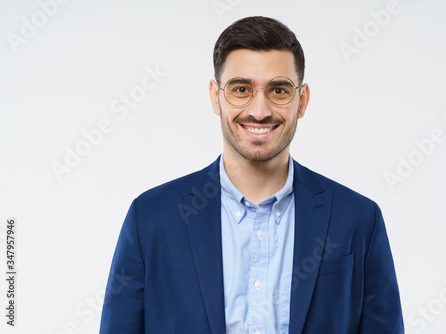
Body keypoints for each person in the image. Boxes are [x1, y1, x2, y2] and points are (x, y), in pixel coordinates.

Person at [99, 16, 404, 334]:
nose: (260, 110)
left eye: (279, 90)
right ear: (215, 97)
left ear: (302, 100)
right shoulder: (151, 218)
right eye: (241, 89)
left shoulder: (357, 218)